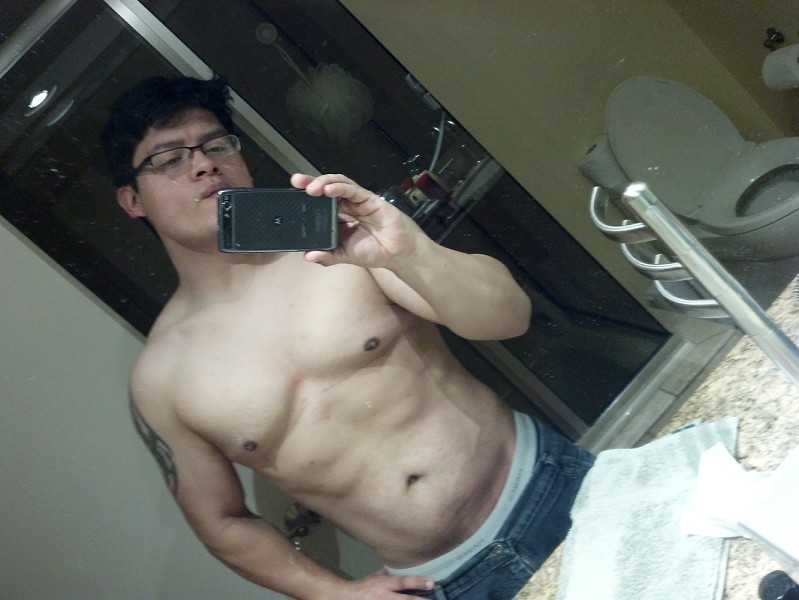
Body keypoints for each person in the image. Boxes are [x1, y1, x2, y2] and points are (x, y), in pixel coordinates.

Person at [100, 75, 594, 600]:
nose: (203, 164)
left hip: (550, 487)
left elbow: (509, 317)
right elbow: (221, 522)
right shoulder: (162, 378)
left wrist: (409, 251)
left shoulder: (338, 244)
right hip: (445, 581)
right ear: (132, 200)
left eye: (217, 145)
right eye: (170, 158)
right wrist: (333, 593)